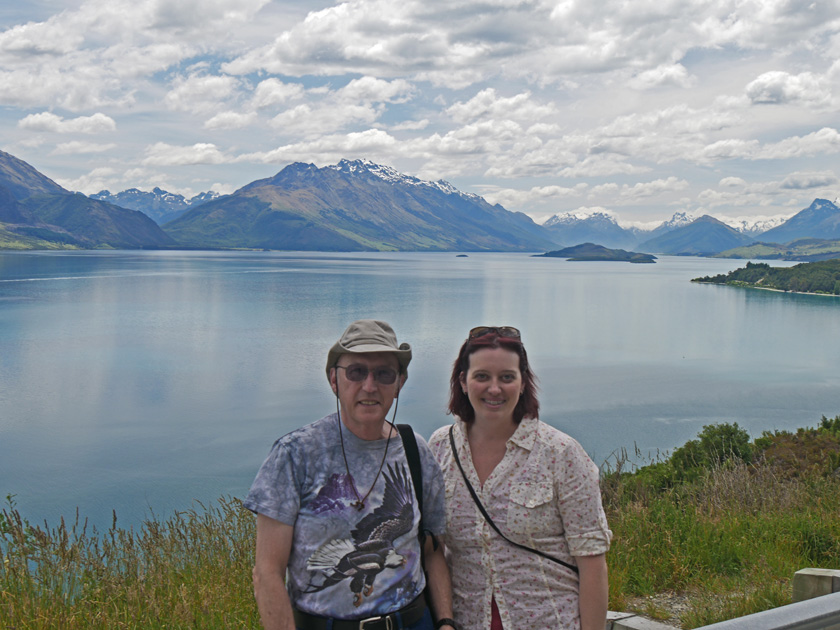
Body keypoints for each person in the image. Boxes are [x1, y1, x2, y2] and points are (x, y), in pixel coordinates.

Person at [244, 319, 457, 630]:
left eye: (384, 374)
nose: (369, 386)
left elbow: (432, 552)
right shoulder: (295, 454)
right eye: (356, 372)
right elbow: (267, 572)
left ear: (399, 383)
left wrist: (447, 622)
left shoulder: (415, 451)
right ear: (334, 379)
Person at [428, 326, 611, 630]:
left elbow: (592, 563)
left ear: (523, 382)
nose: (495, 389)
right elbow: (435, 548)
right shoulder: (440, 448)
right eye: (482, 376)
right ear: (463, 381)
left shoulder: (560, 453)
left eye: (507, 377)